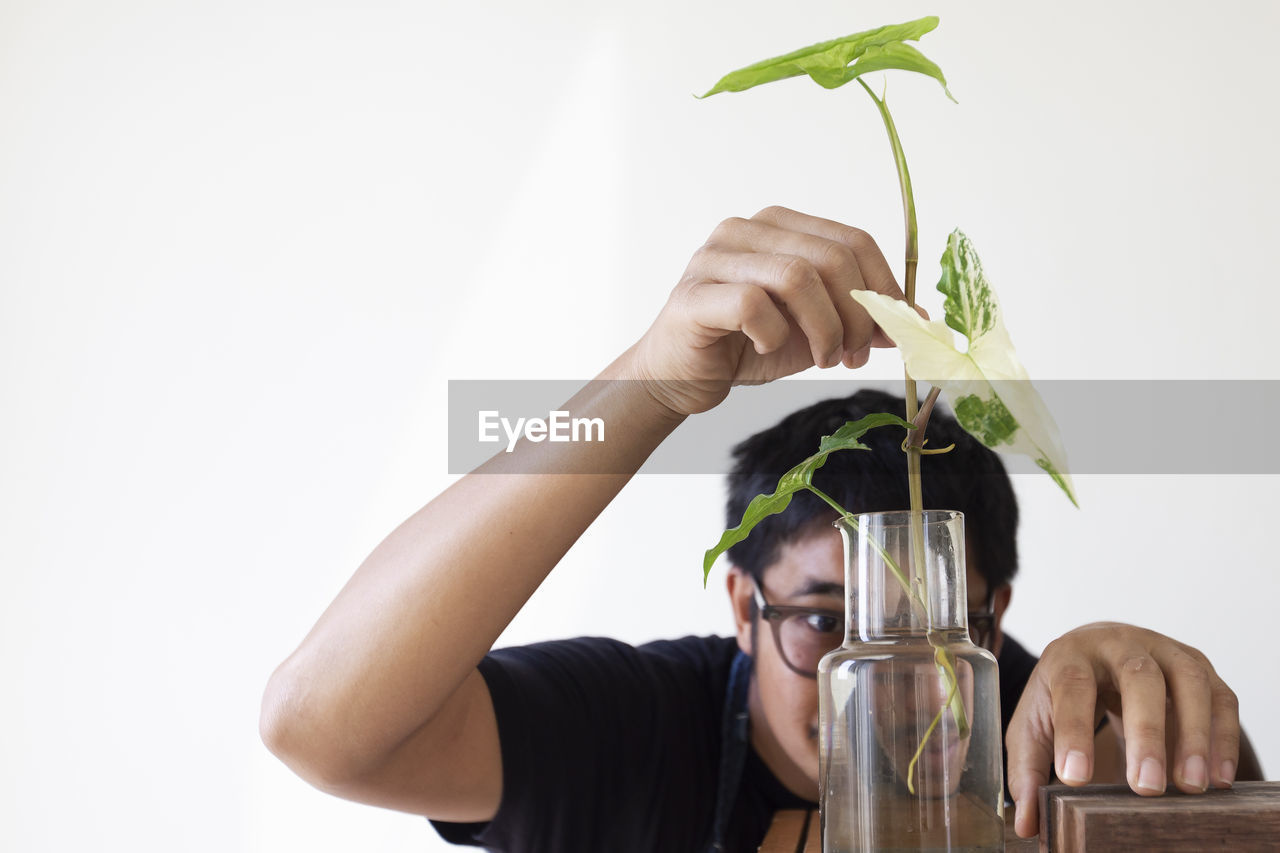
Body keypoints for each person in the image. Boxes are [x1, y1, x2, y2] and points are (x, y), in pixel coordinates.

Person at [259, 207, 1261, 851]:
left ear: (991, 617)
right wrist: (648, 382)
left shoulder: (1047, 735)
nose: (884, 686)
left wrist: (1159, 728)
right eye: (824, 619)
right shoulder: (643, 732)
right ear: (742, 603)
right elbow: (318, 722)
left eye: (936, 629)